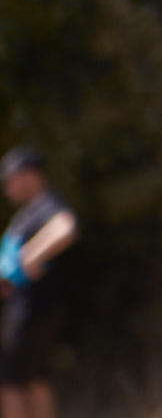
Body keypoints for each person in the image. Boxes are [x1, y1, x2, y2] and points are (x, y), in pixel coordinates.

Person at [0, 147, 75, 418]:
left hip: (32, 311)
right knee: (35, 380)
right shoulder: (27, 214)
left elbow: (65, 226)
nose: (7, 187)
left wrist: (34, 253)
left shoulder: (47, 205)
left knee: (10, 382)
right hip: (35, 310)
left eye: (11, 179)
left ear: (31, 175)